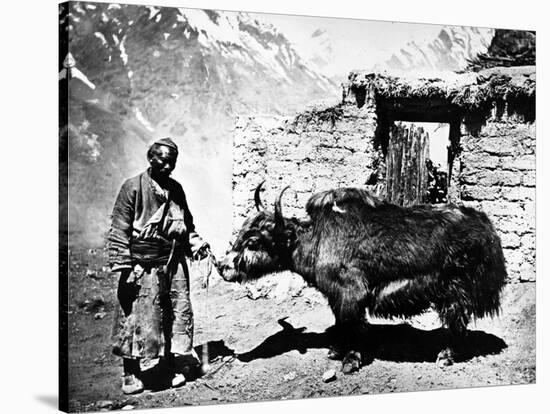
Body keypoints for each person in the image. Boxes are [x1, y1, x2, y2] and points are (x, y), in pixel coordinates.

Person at [107, 137, 212, 394]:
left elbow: (187, 224)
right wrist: (125, 266)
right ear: (150, 159)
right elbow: (119, 229)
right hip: (141, 265)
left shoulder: (176, 190)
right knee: (134, 315)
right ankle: (130, 373)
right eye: (163, 161)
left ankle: (169, 364)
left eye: (172, 162)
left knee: (174, 311)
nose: (167, 166)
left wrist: (196, 244)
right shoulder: (132, 188)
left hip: (172, 263)